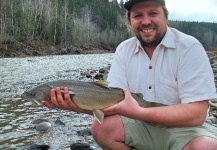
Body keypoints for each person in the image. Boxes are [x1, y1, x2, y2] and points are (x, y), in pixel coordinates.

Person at [42, 0, 217, 149]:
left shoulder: (189, 47)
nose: (146, 21)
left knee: (207, 146)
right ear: (129, 20)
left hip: (186, 128)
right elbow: (109, 105)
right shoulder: (124, 50)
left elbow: (196, 114)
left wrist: (139, 111)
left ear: (165, 16)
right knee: (101, 128)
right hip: (140, 126)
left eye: (153, 13)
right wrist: (75, 105)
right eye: (138, 15)